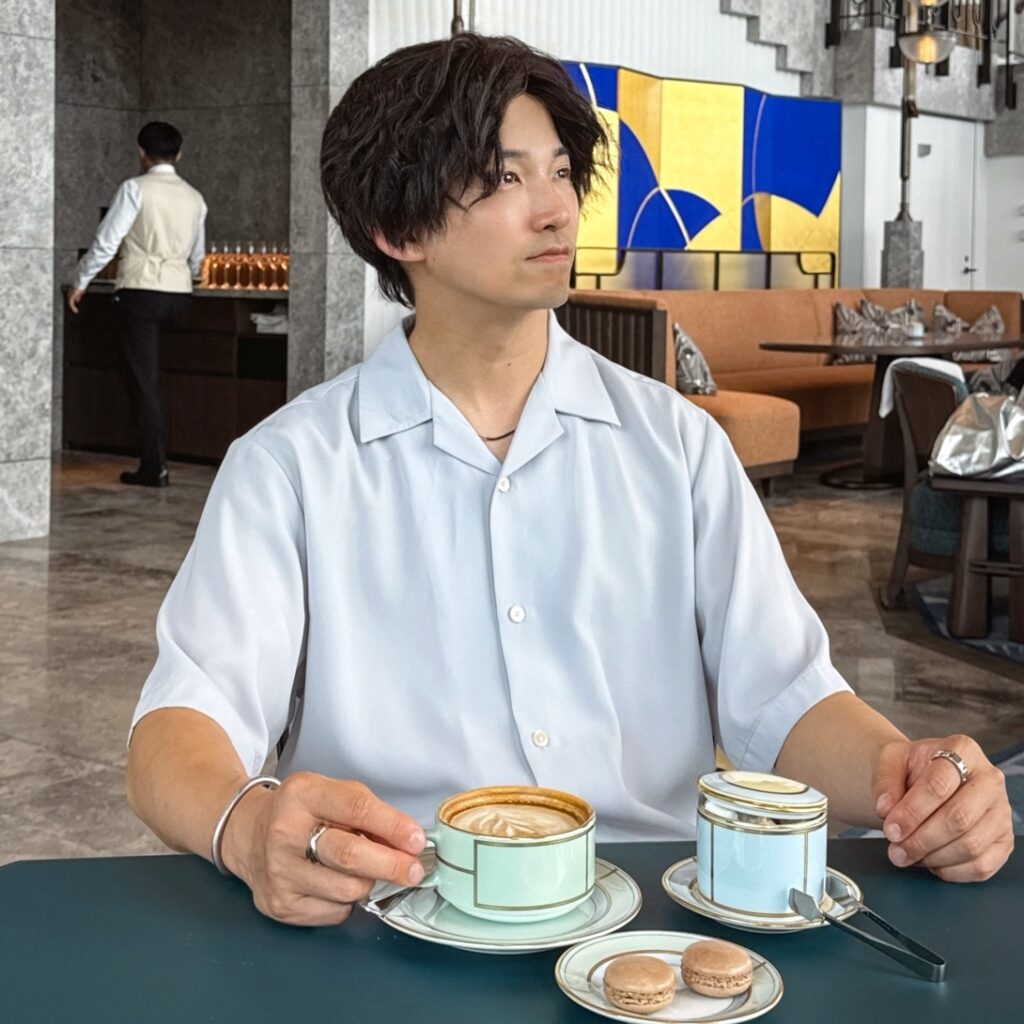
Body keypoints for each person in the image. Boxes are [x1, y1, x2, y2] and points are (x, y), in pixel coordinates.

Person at [125, 35, 1012, 927]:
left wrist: (906, 779)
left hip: (648, 933)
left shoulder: (676, 447)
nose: (555, 210)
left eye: (560, 172)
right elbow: (183, 722)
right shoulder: (290, 466)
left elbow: (786, 699)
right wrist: (248, 829)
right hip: (397, 916)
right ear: (398, 230)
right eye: (506, 178)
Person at [69, 121, 207, 488]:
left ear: (142, 153)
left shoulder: (135, 189)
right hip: (179, 295)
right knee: (160, 381)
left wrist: (81, 280)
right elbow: (198, 257)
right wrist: (186, 275)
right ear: (179, 154)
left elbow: (107, 240)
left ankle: (153, 466)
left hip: (142, 293)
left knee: (143, 383)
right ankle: (158, 458)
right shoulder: (195, 197)